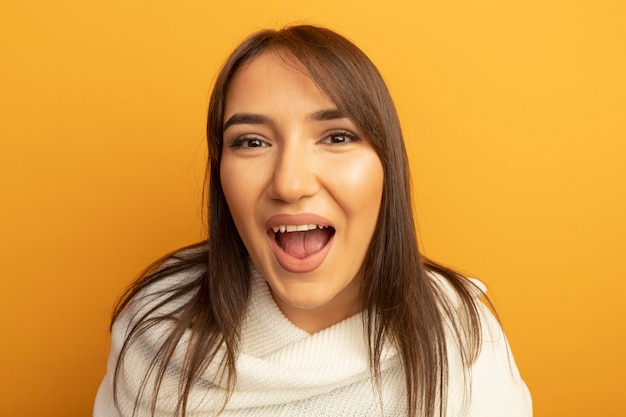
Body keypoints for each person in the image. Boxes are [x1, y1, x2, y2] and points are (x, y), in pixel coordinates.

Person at [94, 25, 532, 417]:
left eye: (337, 137)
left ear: (387, 166)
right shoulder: (158, 328)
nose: (290, 183)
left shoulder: (462, 340)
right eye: (251, 142)